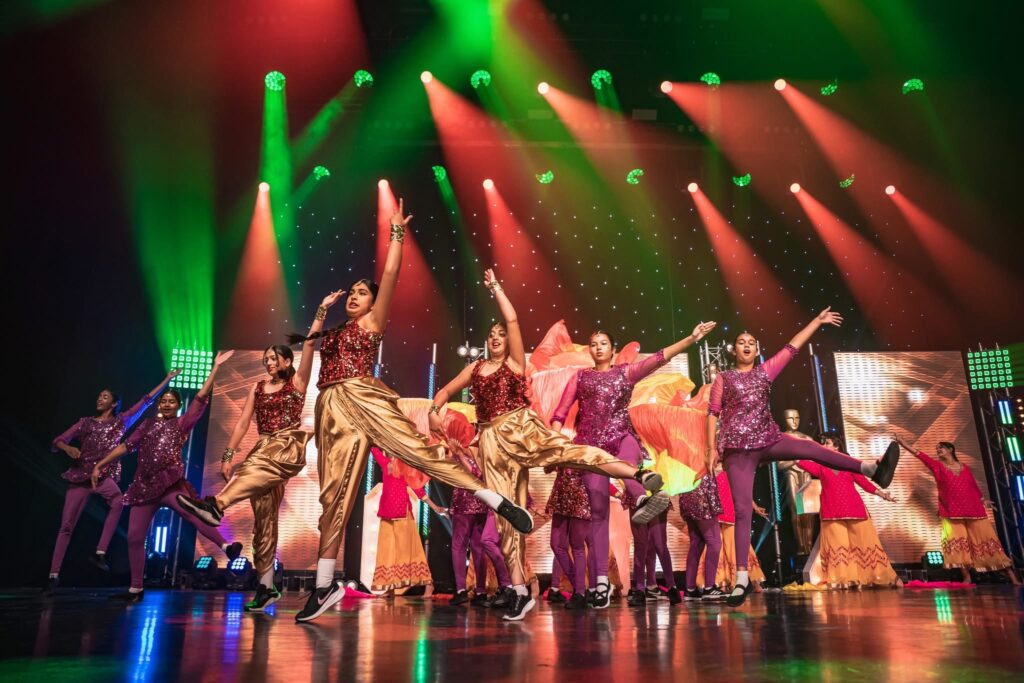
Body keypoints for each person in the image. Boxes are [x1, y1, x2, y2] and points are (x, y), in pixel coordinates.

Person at [286, 201, 530, 624]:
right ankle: (324, 585)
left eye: (362, 293)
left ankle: (493, 498)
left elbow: (392, 276)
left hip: (363, 397)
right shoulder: (336, 333)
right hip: (331, 407)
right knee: (332, 498)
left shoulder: (372, 323)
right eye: (353, 292)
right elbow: (307, 356)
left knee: (420, 452)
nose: (355, 297)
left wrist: (397, 235)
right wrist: (321, 314)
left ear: (372, 303)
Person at [428, 269, 666, 620]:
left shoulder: (514, 362)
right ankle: (519, 591)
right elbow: (446, 390)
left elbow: (512, 319)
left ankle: (637, 474)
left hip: (519, 428)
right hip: (491, 440)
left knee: (571, 451)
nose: (496, 338)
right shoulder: (475, 369)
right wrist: (434, 410)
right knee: (504, 517)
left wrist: (496, 288)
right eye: (491, 335)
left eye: (500, 335)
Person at [706, 308, 901, 606]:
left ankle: (870, 468)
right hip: (737, 450)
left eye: (752, 342)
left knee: (812, 448)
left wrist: (817, 322)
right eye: (741, 342)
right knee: (742, 511)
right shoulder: (724, 378)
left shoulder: (765, 372)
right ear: (734, 350)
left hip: (768, 439)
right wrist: (711, 449)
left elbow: (792, 346)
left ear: (757, 351)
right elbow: (713, 413)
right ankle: (741, 579)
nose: (746, 345)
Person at [550, 321, 716, 608]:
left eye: (603, 343)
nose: (598, 347)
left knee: (629, 459)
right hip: (591, 448)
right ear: (589, 350)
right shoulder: (580, 377)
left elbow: (658, 358)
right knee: (598, 514)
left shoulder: (624, 373)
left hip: (621, 437)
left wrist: (691, 338)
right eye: (593, 344)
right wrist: (555, 442)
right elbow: (560, 412)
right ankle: (600, 582)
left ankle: (640, 498)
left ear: (613, 350)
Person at [177, 313, 323, 612]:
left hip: (286, 446)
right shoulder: (257, 388)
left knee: (254, 469)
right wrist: (228, 455)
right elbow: (243, 423)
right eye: (265, 359)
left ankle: (217, 504)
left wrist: (320, 313)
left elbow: (309, 346)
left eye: (274, 358)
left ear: (287, 361)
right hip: (263, 448)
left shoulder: (297, 383)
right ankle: (266, 587)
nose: (268, 362)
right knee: (264, 521)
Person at [91, 352, 242, 602]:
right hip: (143, 486)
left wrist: (215, 368)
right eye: (163, 401)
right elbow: (126, 446)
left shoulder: (181, 424)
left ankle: (226, 547)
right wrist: (101, 464)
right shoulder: (147, 425)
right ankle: (136, 588)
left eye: (172, 401)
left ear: (178, 406)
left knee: (191, 513)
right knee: (135, 537)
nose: (167, 404)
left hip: (169, 483)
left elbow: (200, 398)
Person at [45, 371, 179, 593]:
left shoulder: (120, 422)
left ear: (115, 403)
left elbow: (145, 402)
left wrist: (167, 380)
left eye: (105, 396)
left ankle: (100, 552)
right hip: (80, 477)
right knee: (66, 525)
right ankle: (53, 575)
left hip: (102, 477)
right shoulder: (85, 422)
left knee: (118, 501)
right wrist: (67, 448)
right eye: (99, 396)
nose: (100, 399)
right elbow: (57, 440)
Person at [895, 438, 1020, 585]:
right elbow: (919, 454)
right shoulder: (937, 466)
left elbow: (973, 486)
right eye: (937, 448)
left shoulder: (965, 467)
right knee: (959, 545)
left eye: (941, 447)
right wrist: (902, 443)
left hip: (974, 510)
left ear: (950, 449)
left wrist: (983, 500)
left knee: (988, 542)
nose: (938, 450)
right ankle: (966, 576)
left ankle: (1012, 576)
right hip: (951, 511)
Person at [801, 436, 900, 588]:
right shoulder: (821, 466)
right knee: (838, 547)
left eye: (827, 443)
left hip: (854, 510)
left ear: (837, 447)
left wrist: (883, 495)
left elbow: (864, 483)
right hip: (832, 512)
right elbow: (801, 462)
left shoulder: (848, 464)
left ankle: (880, 577)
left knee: (863, 545)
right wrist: (787, 450)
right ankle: (843, 580)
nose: (823, 445)